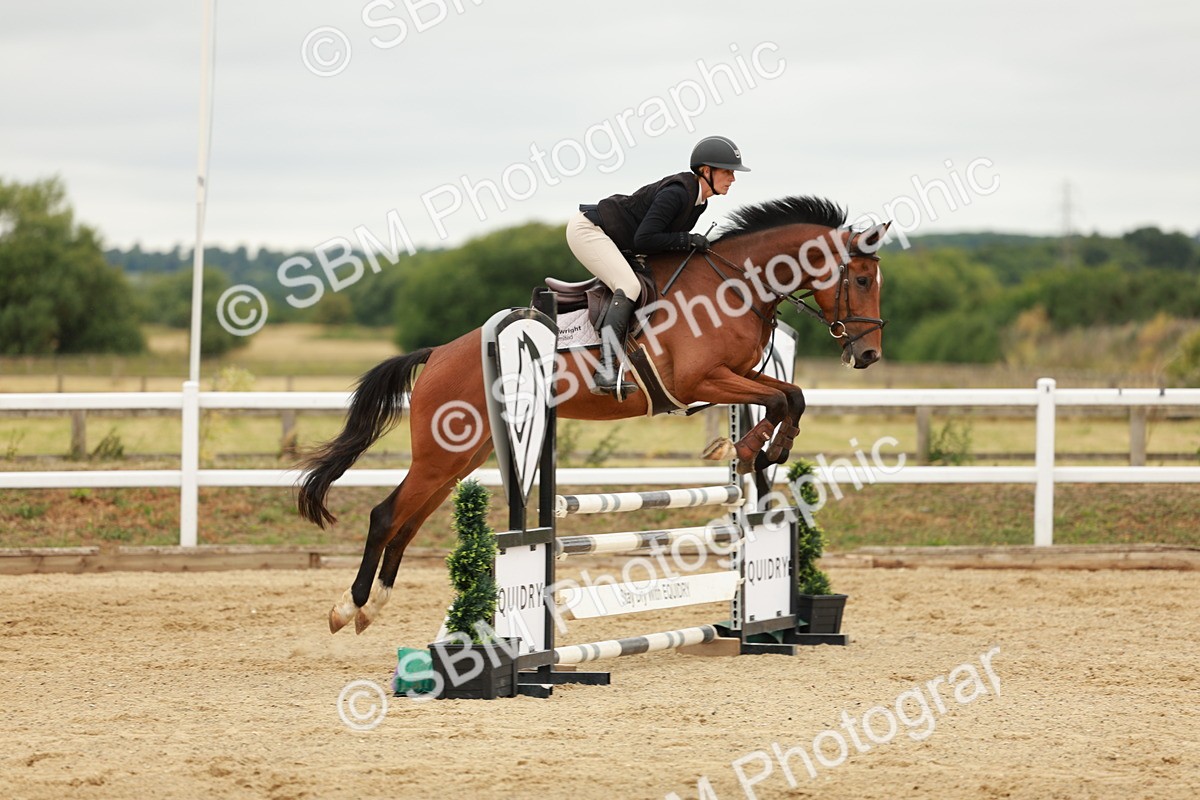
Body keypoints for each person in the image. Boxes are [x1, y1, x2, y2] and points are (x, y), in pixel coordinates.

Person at [566, 135, 750, 396]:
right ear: (706, 171)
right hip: (589, 231)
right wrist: (687, 239)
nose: (732, 178)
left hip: (619, 240)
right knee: (629, 286)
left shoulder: (699, 203)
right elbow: (646, 239)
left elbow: (658, 245)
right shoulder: (677, 194)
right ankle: (605, 369)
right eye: (728, 172)